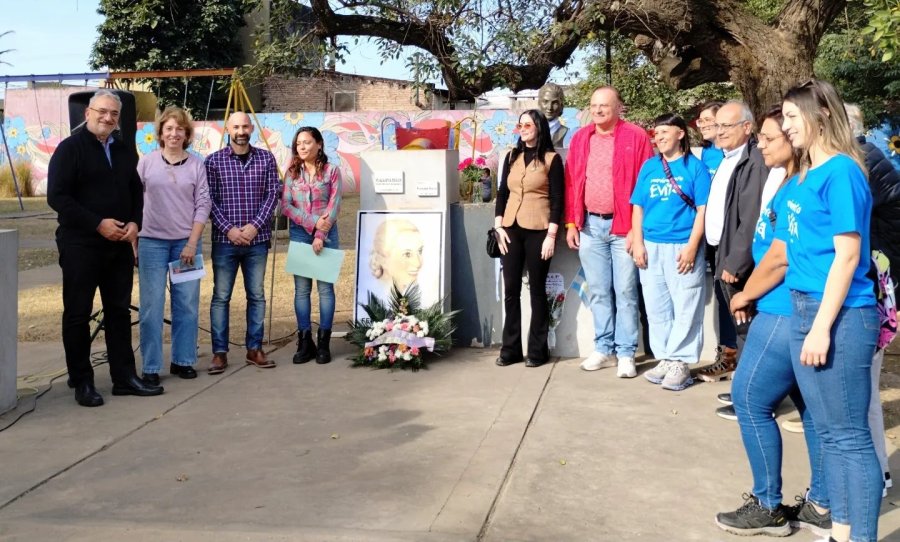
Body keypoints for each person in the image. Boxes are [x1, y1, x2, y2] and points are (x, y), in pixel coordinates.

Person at [734, 79, 880, 542]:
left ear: (819, 117)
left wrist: (820, 328)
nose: (786, 126)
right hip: (801, 309)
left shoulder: (842, 172)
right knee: (831, 436)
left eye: (792, 117)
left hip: (838, 315)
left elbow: (848, 256)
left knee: (850, 438)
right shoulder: (806, 175)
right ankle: (838, 530)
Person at [715, 107, 829, 537]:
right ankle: (822, 503)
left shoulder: (803, 183)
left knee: (748, 400)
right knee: (809, 410)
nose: (759, 144)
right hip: (783, 305)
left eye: (767, 137)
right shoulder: (785, 181)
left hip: (783, 308)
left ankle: (768, 505)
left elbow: (781, 257)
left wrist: (747, 293)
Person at [47, 89, 163, 406]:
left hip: (119, 247)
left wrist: (135, 224)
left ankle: (124, 377)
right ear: (88, 113)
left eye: (114, 114)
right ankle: (82, 382)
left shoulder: (125, 151)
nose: (108, 118)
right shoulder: (69, 149)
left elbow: (136, 193)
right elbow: (57, 197)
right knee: (77, 314)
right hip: (81, 244)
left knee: (118, 312)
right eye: (102, 111)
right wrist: (98, 223)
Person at [564, 86, 653, 378]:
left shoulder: (636, 137)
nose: (598, 110)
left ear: (618, 107)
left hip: (623, 227)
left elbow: (646, 184)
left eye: (604, 105)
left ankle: (626, 352)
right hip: (590, 226)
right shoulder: (580, 138)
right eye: (594, 105)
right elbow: (572, 183)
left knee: (626, 291)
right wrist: (571, 223)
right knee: (599, 291)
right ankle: (603, 348)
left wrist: (635, 230)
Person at [631, 114, 710, 389]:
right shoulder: (650, 167)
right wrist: (638, 242)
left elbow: (703, 210)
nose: (659, 137)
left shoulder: (695, 168)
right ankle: (665, 356)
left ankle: (681, 362)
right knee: (656, 306)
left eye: (665, 132)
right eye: (657, 133)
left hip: (682, 245)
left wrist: (691, 246)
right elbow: (637, 207)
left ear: (680, 134)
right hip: (652, 245)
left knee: (686, 304)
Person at [136, 106, 211, 385]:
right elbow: (134, 201)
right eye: (169, 128)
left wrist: (192, 243)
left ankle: (183, 360)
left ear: (187, 133)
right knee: (152, 306)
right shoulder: (146, 163)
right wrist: (134, 241)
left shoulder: (196, 165)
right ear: (160, 133)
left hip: (186, 243)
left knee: (187, 304)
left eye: (179, 129)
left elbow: (203, 204)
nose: (174, 134)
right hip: (151, 243)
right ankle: (152, 366)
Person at [848, 102, 900, 495]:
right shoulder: (862, 161)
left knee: (862, 393)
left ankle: (876, 475)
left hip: (874, 289)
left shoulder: (863, 163)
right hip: (875, 283)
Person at [696, 100, 768, 384]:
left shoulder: (753, 161)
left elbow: (750, 218)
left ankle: (752, 394)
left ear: (747, 127)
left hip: (737, 260)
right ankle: (744, 388)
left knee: (746, 328)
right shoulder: (727, 157)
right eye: (718, 125)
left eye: (727, 125)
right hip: (720, 251)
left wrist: (736, 261)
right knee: (737, 327)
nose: (721, 131)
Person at [205, 112, 281, 374]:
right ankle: (219, 353)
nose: (241, 130)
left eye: (245, 126)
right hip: (225, 241)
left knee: (257, 296)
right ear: (228, 128)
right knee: (221, 297)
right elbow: (208, 200)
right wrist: (229, 230)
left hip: (257, 241)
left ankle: (254, 349)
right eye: (236, 126)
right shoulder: (213, 162)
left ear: (251, 129)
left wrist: (254, 226)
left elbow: (273, 194)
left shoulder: (266, 158)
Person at [493, 109, 563, 368]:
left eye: (528, 125)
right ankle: (510, 349)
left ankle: (537, 351)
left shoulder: (551, 159)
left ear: (539, 128)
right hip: (510, 229)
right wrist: (498, 226)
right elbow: (502, 193)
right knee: (510, 290)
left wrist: (551, 236)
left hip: (539, 230)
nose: (523, 129)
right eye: (520, 125)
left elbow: (557, 200)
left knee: (537, 291)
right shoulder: (512, 156)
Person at [282, 126, 343, 365]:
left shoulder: (332, 171)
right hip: (299, 234)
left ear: (319, 144)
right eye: (299, 144)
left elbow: (335, 204)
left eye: (307, 142)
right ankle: (305, 341)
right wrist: (311, 222)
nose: (303, 147)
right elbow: (286, 206)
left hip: (326, 235)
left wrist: (320, 231)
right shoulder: (291, 174)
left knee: (325, 290)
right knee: (302, 291)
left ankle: (324, 342)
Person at [696, 101, 739, 371]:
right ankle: (726, 354)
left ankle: (733, 355)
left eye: (707, 121)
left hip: (733, 239)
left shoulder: (735, 156)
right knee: (722, 297)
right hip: (713, 240)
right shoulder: (708, 155)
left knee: (734, 297)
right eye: (700, 121)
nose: (703, 126)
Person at [368, 218, 425, 298]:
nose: (418, 263)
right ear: (382, 260)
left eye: (420, 251)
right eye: (407, 254)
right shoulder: (375, 296)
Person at [537, 83, 568, 148]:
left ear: (561, 105)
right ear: (539, 103)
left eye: (555, 103)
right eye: (545, 101)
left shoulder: (568, 134)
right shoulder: (531, 132)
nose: (549, 107)